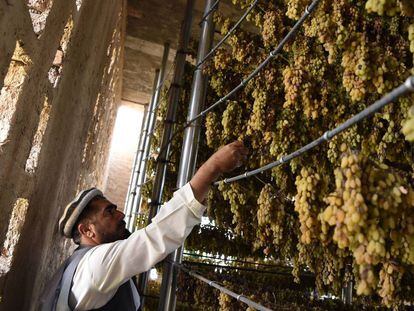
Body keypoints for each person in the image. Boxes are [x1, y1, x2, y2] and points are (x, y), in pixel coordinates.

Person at [40, 141, 248, 311]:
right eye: (109, 212)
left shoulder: (79, 267)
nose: (121, 214)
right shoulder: (96, 266)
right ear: (87, 230)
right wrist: (213, 167)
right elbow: (156, 237)